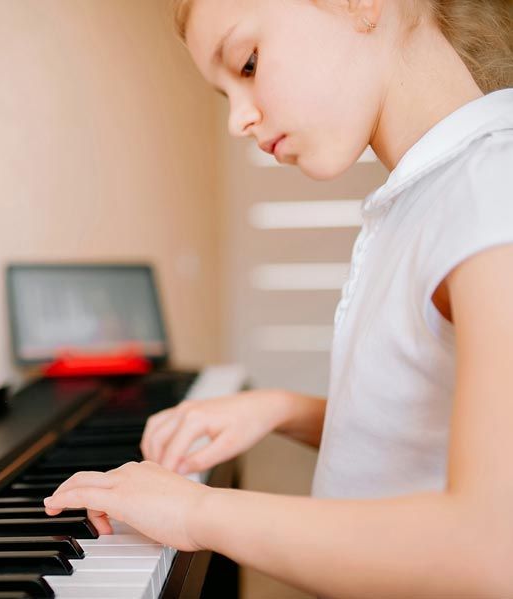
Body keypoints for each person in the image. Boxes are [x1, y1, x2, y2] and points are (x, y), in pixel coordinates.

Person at [43, 0, 513, 596]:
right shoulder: (437, 193)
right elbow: (420, 435)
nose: (238, 121)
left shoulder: (489, 185)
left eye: (248, 63)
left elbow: (490, 548)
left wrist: (195, 511)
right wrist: (282, 409)